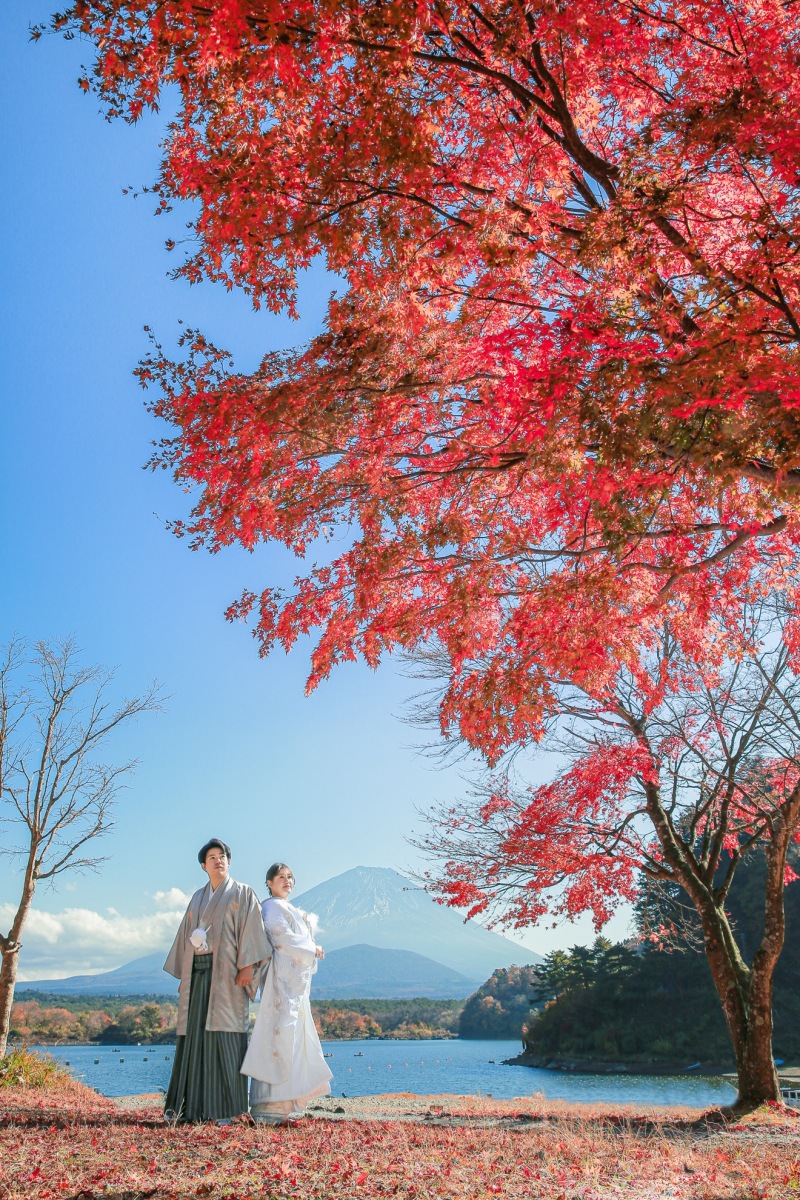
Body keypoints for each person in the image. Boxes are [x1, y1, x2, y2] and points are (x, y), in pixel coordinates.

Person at [163, 838, 270, 1123]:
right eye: (212, 857)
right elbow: (186, 935)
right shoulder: (197, 898)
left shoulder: (243, 893)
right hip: (197, 972)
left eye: (222, 856)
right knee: (195, 1037)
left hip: (228, 975)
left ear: (229, 862)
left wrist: (247, 966)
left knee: (226, 1035)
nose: (218, 860)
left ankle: (229, 1109)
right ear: (203, 865)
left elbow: (252, 931)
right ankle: (190, 1109)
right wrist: (185, 976)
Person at [241, 862, 333, 1123]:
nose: (287, 881)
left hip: (293, 985)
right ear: (269, 882)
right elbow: (279, 936)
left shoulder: (290, 908)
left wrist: (312, 947)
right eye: (281, 877)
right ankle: (269, 1104)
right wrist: (311, 948)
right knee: (278, 1036)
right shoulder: (271, 906)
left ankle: (286, 1101)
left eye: (290, 877)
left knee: (291, 1038)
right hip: (280, 983)